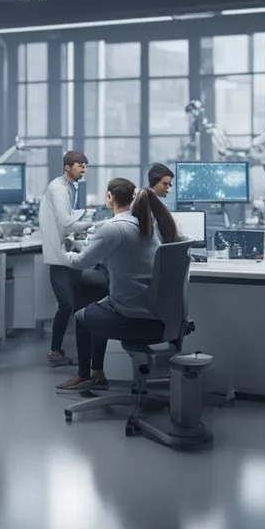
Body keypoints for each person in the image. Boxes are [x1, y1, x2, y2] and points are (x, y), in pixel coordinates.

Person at [56, 178, 180, 392]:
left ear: (110, 197)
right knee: (99, 305)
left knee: (82, 315)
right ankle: (98, 373)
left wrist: (58, 253)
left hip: (132, 316)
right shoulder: (146, 225)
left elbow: (82, 262)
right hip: (160, 314)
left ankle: (84, 375)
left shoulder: (113, 229)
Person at [39, 150, 106, 367]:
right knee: (67, 305)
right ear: (67, 167)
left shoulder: (70, 186)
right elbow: (66, 222)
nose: (84, 169)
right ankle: (54, 352)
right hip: (59, 256)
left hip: (68, 252)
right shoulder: (58, 187)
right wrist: (95, 225)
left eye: (85, 166)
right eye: (80, 166)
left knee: (78, 306)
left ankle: (84, 356)